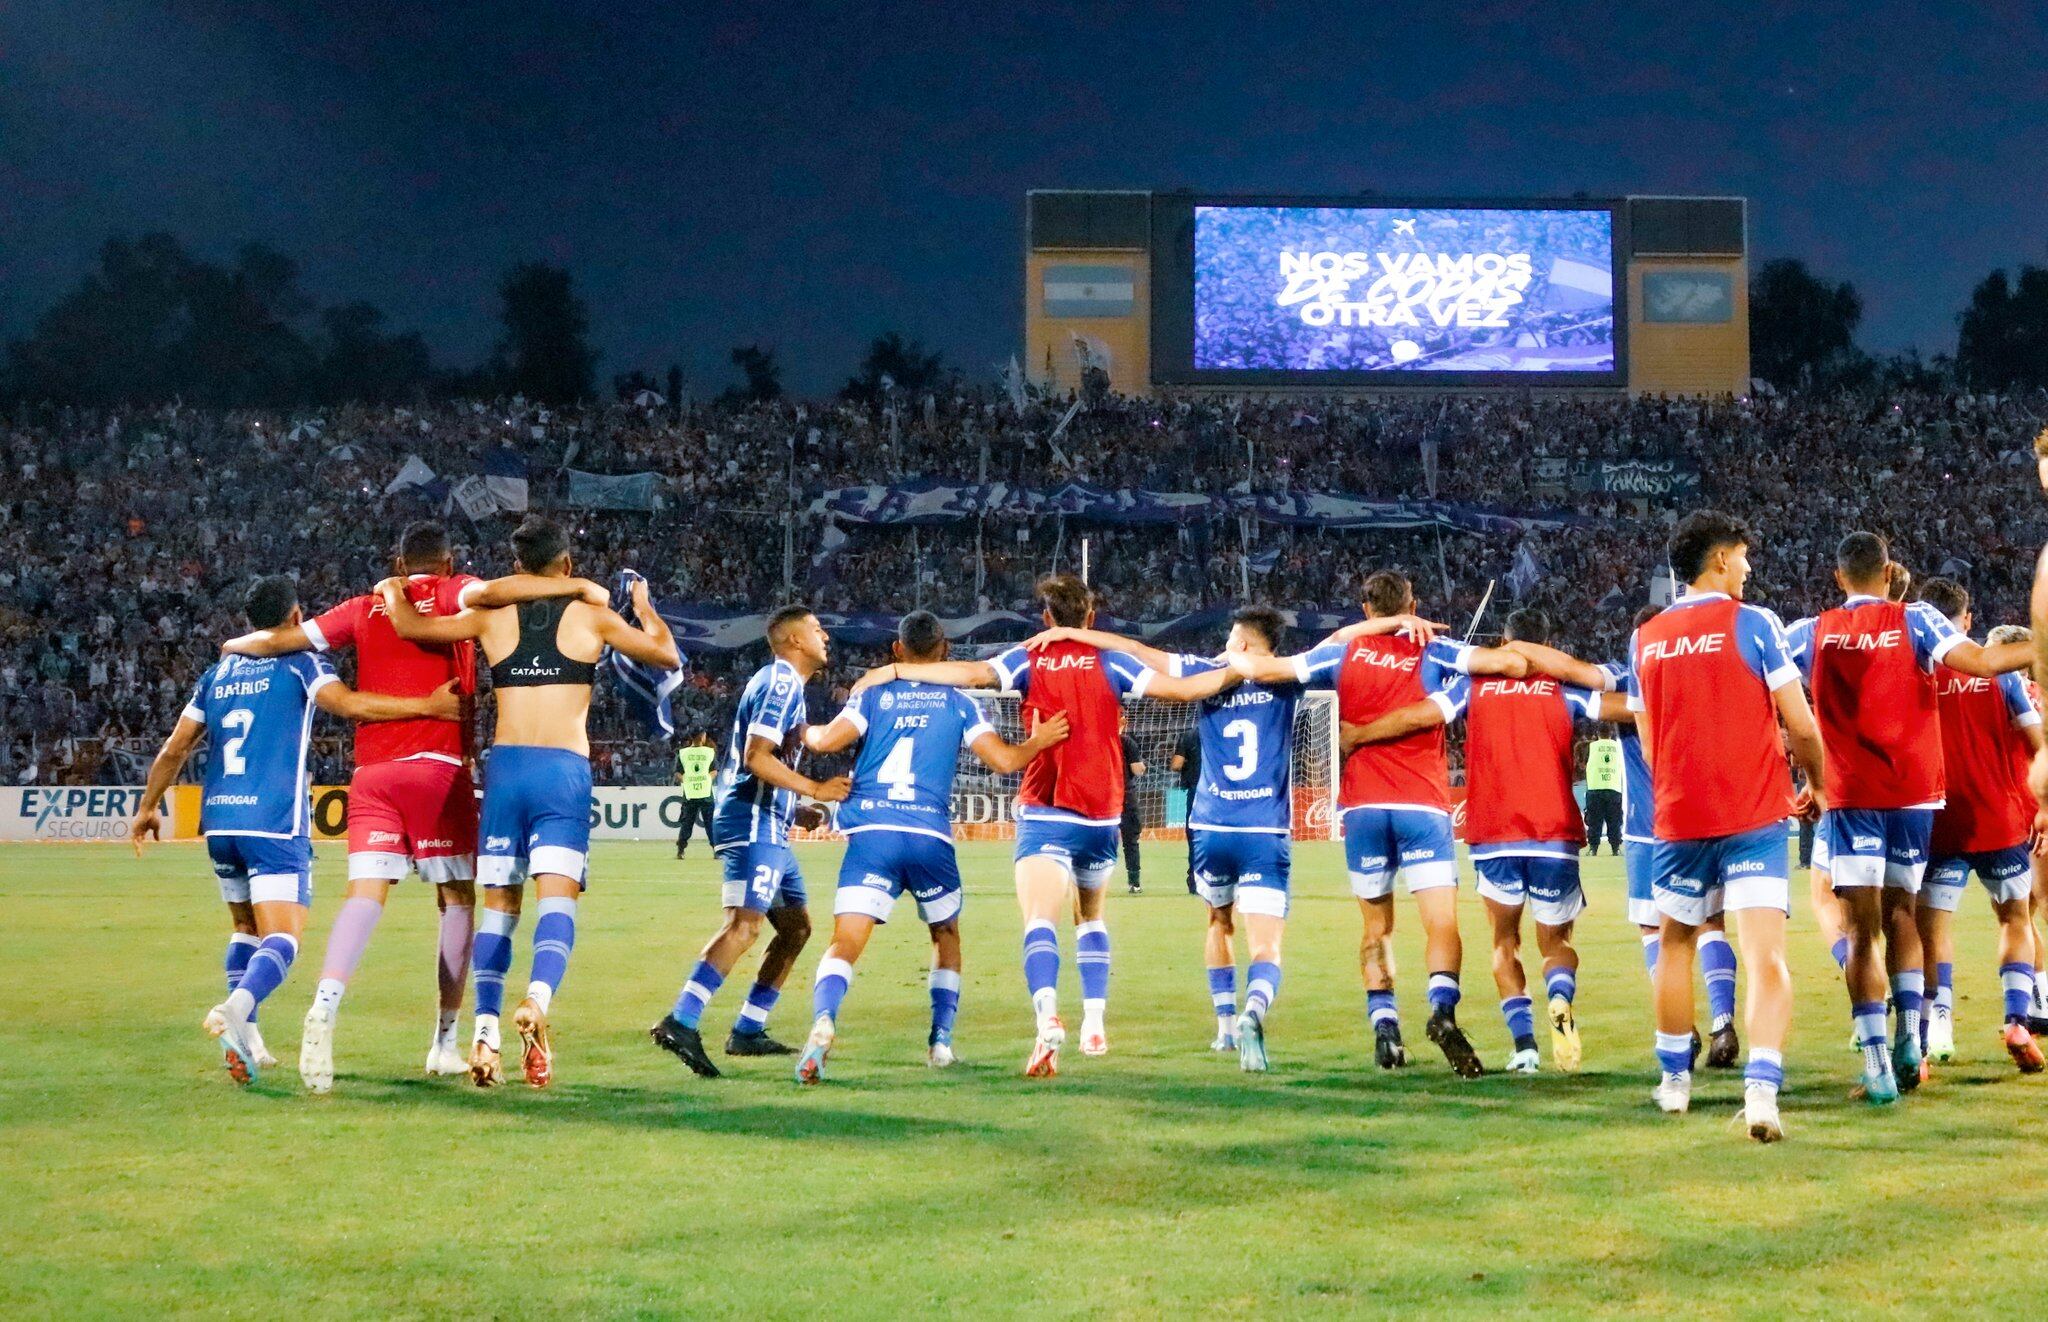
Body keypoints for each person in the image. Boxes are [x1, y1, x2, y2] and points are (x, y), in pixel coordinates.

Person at [219, 520, 595, 1091]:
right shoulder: (452, 591)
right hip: (437, 771)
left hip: (371, 776)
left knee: (364, 896)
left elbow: (276, 641)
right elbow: (502, 591)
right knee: (458, 899)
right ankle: (445, 1041)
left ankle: (324, 1003)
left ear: (399, 564)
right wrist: (578, 587)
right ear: (446, 563)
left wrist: (232, 644)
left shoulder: (361, 606)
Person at [851, 574, 1237, 1076]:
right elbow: (1184, 690)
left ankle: (1047, 1018)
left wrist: (895, 671)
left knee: (1039, 920)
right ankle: (1094, 1023)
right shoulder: (1111, 660)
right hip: (1102, 813)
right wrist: (1240, 670)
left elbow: (970, 675)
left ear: (1047, 619)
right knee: (1091, 916)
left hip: (1048, 807)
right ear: (1091, 620)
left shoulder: (1029, 656)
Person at [383, 515, 681, 1088]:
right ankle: (537, 1003)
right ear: (565, 565)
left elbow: (411, 629)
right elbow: (665, 656)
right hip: (562, 772)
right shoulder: (594, 615)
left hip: (507, 771)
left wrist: (393, 590)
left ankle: (486, 1032)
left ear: (518, 567)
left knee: (499, 907)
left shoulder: (490, 616)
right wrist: (643, 605)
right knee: (557, 906)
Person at [129, 575, 460, 1084]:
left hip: (219, 822)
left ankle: (250, 1039)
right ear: (294, 617)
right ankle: (236, 1009)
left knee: (245, 929)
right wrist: (427, 707)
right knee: (284, 938)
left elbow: (176, 749)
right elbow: (349, 705)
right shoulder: (301, 661)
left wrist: (149, 807)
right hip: (274, 822)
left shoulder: (216, 674)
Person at [1240, 571, 1519, 1077]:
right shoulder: (1433, 649)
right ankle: (1441, 1011)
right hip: (1422, 803)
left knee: (1375, 926)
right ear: (1412, 605)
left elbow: (1267, 669)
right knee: (1441, 922)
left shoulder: (1342, 653)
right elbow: (1506, 661)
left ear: (1366, 611)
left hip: (1363, 806)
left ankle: (1386, 1030)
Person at [1784, 532, 2032, 1101]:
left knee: (1860, 932)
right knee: (1903, 920)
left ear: (1839, 577)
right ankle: (1909, 1044)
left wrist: (1801, 769)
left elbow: (1770, 690)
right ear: (1890, 570)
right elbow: (1987, 660)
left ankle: (1874, 1065)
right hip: (1915, 797)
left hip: (1854, 798)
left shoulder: (1810, 631)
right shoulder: (1919, 621)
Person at [791, 610, 1070, 1081]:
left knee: (845, 942)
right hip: (929, 838)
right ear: (944, 652)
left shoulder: (872, 694)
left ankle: (823, 1023)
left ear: (897, 651)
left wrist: (802, 729)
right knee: (945, 936)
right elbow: (1002, 761)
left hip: (871, 834)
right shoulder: (959, 703)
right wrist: (1037, 742)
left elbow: (824, 742)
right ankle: (940, 1043)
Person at [1630, 510, 1826, 1143]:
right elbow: (1799, 724)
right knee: (1766, 956)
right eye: (1742, 555)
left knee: (1676, 946)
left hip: (1680, 817)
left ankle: (1674, 1086)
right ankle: (1762, 1093)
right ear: (1718, 559)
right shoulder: (1754, 622)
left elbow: (1649, 739)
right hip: (1753, 814)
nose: (1748, 566)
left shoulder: (1647, 637)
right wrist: (1817, 781)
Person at [1345, 607, 1603, 1075]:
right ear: (1544, 641)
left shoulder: (1474, 685)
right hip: (1553, 832)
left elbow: (1420, 716)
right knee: (1556, 944)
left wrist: (1359, 734)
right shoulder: (1565, 687)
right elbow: (1620, 703)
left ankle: (1524, 1049)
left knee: (1505, 944)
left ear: (1504, 640)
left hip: (1493, 834)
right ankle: (1560, 998)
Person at [1512, 608, 1745, 1070]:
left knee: (1654, 932)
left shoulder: (1627, 675)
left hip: (1647, 830)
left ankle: (1684, 1029)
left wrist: (1514, 652)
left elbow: (1577, 677)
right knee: (1710, 926)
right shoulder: (1705, 673)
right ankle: (1723, 1022)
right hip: (1704, 820)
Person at [651, 606, 850, 1078]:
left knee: (796, 927)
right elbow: (756, 757)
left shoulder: (789, 688)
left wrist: (793, 805)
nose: (825, 635)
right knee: (744, 926)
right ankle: (681, 1020)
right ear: (794, 641)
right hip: (751, 819)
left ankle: (748, 1030)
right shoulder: (781, 683)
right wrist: (816, 789)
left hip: (771, 821)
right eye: (816, 629)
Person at [1911, 582, 2046, 1072]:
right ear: (1966, 620)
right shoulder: (2002, 676)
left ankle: (1936, 1028)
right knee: (2015, 918)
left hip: (1938, 821)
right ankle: (2016, 1020)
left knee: (1934, 931)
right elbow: (2037, 742)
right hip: (1999, 820)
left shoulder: (1919, 670)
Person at [674, 732, 717, 860]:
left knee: (687, 823)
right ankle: (716, 850)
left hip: (690, 793)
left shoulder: (683, 753)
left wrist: (687, 781)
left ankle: (681, 850)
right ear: (702, 737)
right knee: (710, 824)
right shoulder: (709, 752)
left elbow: (677, 773)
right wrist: (706, 780)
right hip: (705, 794)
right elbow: (714, 771)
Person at [1171, 723, 1201, 893]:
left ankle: (1195, 882)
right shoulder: (1219, 731)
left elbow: (1176, 764)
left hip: (1197, 790)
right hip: (1220, 791)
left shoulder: (1189, 735)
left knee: (1194, 836)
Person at [1582, 731, 1623, 856]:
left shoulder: (1591, 746)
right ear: (1610, 733)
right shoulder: (1618, 747)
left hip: (1595, 788)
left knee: (1594, 821)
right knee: (1614, 821)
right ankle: (1616, 849)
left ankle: (1593, 849)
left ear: (1597, 734)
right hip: (1613, 787)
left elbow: (1583, 764)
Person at [1120, 722, 1146, 894]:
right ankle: (1134, 882)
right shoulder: (1127, 742)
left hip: (1101, 795)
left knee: (1096, 838)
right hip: (1124, 795)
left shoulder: (1097, 739)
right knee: (1130, 841)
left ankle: (1088, 881)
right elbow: (1137, 770)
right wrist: (1142, 766)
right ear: (1123, 721)